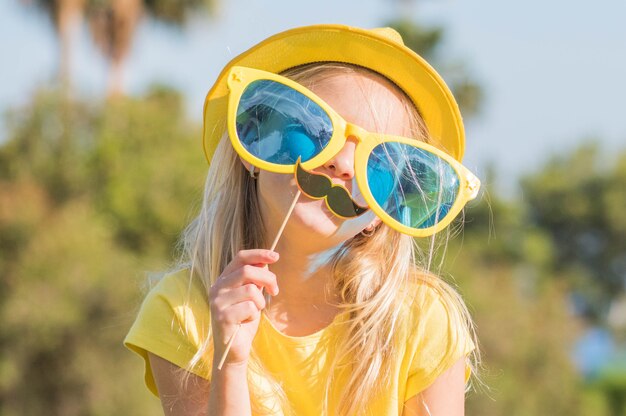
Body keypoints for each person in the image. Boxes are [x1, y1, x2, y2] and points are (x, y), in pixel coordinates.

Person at [124, 24, 481, 416]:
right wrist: (231, 364)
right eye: (315, 129)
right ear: (252, 141)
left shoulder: (421, 318)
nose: (342, 163)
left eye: (378, 161)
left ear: (385, 213)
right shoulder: (182, 311)